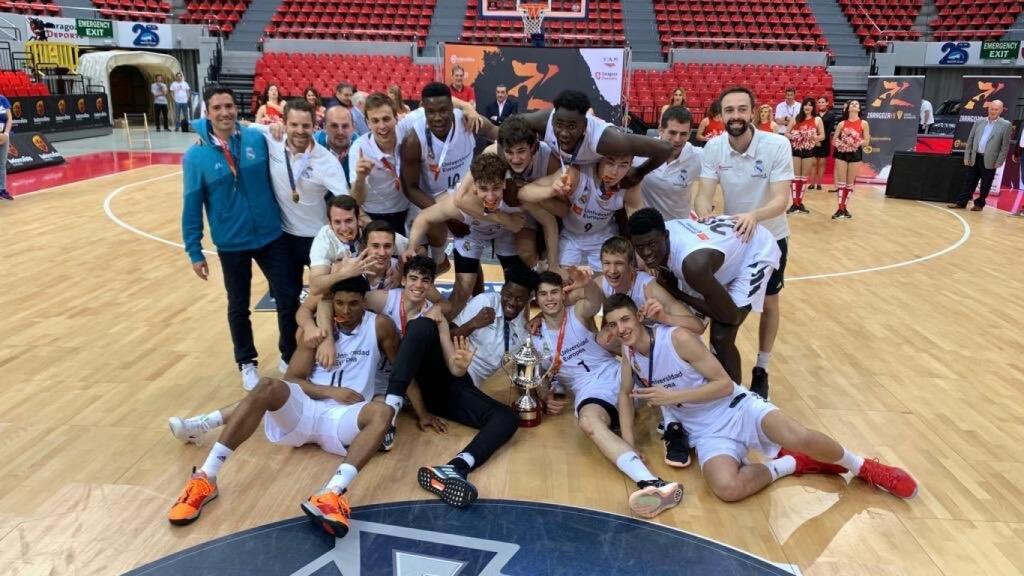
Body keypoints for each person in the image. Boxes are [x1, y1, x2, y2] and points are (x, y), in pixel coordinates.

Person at [604, 294, 920, 504]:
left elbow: (725, 385)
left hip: (736, 407)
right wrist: (630, 447)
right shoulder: (630, 356)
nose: (621, 328)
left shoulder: (678, 339)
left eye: (625, 320)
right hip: (706, 432)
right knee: (726, 489)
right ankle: (793, 463)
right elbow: (623, 395)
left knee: (798, 435)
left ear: (637, 318)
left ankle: (862, 466)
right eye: (614, 324)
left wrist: (672, 396)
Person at [166, 276, 401, 538]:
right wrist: (330, 391)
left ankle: (331, 494)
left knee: (382, 412)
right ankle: (206, 477)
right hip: (306, 410)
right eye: (340, 303)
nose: (346, 310)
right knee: (267, 385)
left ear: (365, 302)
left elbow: (402, 372)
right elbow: (291, 380)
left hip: (343, 419)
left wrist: (415, 410)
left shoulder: (380, 326)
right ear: (331, 303)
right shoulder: (317, 333)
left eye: (354, 304)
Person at [533, 270, 684, 517]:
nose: (549, 299)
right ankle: (650, 482)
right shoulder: (534, 339)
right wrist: (544, 397)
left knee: (659, 367)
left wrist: (587, 283)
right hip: (591, 391)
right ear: (536, 298)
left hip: (618, 371)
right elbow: (539, 382)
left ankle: (677, 425)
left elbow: (595, 299)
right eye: (543, 294)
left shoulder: (578, 313)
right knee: (588, 422)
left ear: (563, 294)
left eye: (554, 292)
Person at [182, 85, 302, 390]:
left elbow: (286, 145)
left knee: (288, 296)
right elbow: (192, 205)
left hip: (270, 234)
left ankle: (289, 354)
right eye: (218, 108)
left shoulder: (255, 138)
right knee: (239, 305)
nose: (225, 113)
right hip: (231, 241)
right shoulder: (196, 156)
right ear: (207, 113)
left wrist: (278, 130)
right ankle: (246, 362)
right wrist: (194, 250)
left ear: (238, 109)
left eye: (229, 106)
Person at [696, 87, 791, 398]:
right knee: (720, 302)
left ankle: (761, 368)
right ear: (721, 115)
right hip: (734, 239)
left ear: (753, 112)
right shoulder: (713, 148)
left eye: (741, 109)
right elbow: (705, 193)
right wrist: (703, 212)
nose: (735, 116)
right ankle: (716, 368)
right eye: (729, 110)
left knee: (771, 302)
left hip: (770, 237)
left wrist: (754, 215)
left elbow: (781, 200)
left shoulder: (777, 145)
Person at [628, 209, 781, 399]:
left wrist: (678, 293)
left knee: (721, 334)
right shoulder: (657, 233)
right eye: (639, 247)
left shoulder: (693, 265)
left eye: (651, 245)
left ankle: (737, 403)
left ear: (665, 235)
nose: (646, 253)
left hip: (753, 249)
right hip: (721, 248)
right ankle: (704, 385)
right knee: (682, 325)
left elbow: (730, 316)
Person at [384, 301, 521, 509]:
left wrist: (459, 367)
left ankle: (456, 468)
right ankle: (388, 417)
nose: (418, 285)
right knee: (421, 326)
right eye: (413, 279)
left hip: (446, 387)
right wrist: (420, 412)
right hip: (409, 388)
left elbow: (453, 367)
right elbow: (406, 371)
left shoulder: (438, 312)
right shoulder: (386, 308)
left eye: (424, 281)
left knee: (507, 417)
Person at [407, 153, 555, 315]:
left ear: (505, 184)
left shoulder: (515, 196)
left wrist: (554, 263)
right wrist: (411, 247)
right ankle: (447, 330)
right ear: (474, 186)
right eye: (484, 189)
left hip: (504, 234)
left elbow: (549, 221)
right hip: (473, 234)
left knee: (517, 289)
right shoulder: (461, 202)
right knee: (462, 291)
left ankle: (517, 332)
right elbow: (424, 217)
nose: (490, 196)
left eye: (496, 188)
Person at [249, 98, 349, 303]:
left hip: (317, 237)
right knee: (286, 301)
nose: (300, 130)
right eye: (294, 125)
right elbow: (240, 127)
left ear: (315, 126)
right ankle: (289, 337)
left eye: (306, 125)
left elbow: (345, 201)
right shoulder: (272, 138)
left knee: (326, 298)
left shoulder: (326, 162)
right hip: (283, 237)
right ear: (284, 124)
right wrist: (204, 138)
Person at [452, 115, 561, 268]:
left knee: (533, 252)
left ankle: (544, 266)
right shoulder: (492, 152)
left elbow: (559, 212)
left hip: (538, 206)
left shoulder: (549, 160)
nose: (515, 159)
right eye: (509, 152)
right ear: (502, 149)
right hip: (507, 208)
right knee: (525, 252)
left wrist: (554, 263)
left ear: (533, 147)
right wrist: (505, 220)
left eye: (521, 151)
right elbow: (460, 198)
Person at [520, 150, 644, 270]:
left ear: (631, 165)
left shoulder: (629, 184)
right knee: (565, 282)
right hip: (571, 236)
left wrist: (642, 260)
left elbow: (640, 222)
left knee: (607, 282)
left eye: (623, 165)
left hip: (603, 235)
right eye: (610, 162)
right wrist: (552, 191)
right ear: (599, 158)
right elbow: (524, 192)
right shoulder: (575, 174)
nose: (615, 172)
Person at [520, 90, 672, 184]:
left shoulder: (606, 140)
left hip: (598, 167)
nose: (564, 133)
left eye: (572, 127)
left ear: (585, 126)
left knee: (628, 186)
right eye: (559, 125)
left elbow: (665, 148)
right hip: (563, 162)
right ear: (553, 121)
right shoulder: (543, 121)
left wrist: (640, 172)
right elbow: (504, 129)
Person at [349, 92, 411, 233]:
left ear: (396, 118)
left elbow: (431, 103)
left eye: (386, 119)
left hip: (407, 211)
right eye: (375, 121)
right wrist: (360, 178)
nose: (382, 126)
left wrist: (467, 109)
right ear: (367, 123)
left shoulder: (405, 131)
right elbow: (356, 201)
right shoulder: (359, 149)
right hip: (374, 216)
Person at [309, 207, 407, 296]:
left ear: (394, 246)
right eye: (375, 246)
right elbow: (311, 302)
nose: (382, 252)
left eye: (387, 246)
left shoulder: (401, 269)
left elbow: (420, 250)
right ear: (364, 246)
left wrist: (403, 272)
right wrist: (345, 274)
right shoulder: (344, 268)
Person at [637, 106, 702, 220]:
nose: (677, 139)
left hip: (679, 225)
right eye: (672, 132)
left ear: (690, 133)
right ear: (661, 130)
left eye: (683, 134)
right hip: (648, 226)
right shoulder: (641, 152)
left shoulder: (698, 156)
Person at [949, 100, 1011, 212]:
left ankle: (979, 204)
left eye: (996, 109)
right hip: (975, 157)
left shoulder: (1006, 125)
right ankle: (961, 203)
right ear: (988, 109)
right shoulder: (979, 121)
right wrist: (967, 157)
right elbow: (971, 139)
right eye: (991, 108)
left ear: (1001, 110)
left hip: (990, 160)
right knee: (969, 181)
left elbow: (1005, 146)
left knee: (986, 184)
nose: (993, 111)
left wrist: (999, 161)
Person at [832, 100, 871, 219]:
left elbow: (866, 141)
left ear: (859, 109)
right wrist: (843, 144)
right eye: (852, 104)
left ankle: (844, 207)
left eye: (857, 104)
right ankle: (840, 208)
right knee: (841, 183)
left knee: (849, 183)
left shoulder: (864, 123)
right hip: (841, 154)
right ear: (848, 108)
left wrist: (854, 142)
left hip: (855, 154)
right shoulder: (842, 123)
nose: (854, 105)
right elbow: (834, 140)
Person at [785, 97, 824, 215]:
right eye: (806, 105)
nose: (808, 107)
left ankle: (800, 203)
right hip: (796, 150)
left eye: (810, 105)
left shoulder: (817, 119)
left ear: (813, 107)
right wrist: (794, 136)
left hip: (808, 150)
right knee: (795, 177)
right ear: (802, 106)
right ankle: (794, 203)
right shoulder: (795, 118)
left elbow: (822, 136)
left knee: (803, 178)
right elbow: (786, 132)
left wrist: (812, 137)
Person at [314, 105, 356, 186]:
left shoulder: (362, 148)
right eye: (334, 126)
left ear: (353, 127)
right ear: (324, 127)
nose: (340, 132)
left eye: (345, 126)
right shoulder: (313, 144)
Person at [812, 96, 840, 191]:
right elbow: (812, 129)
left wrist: (821, 140)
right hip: (814, 141)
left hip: (825, 142)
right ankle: (812, 183)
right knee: (814, 163)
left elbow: (829, 130)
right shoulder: (814, 115)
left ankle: (819, 183)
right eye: (819, 102)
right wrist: (816, 141)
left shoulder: (831, 115)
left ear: (827, 103)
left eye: (822, 102)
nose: (820, 103)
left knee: (822, 163)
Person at [0, 91, 11, 201]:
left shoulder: (2, 99)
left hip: (3, 137)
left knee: (2, 164)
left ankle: (2, 190)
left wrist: (6, 134)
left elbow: (9, 119)